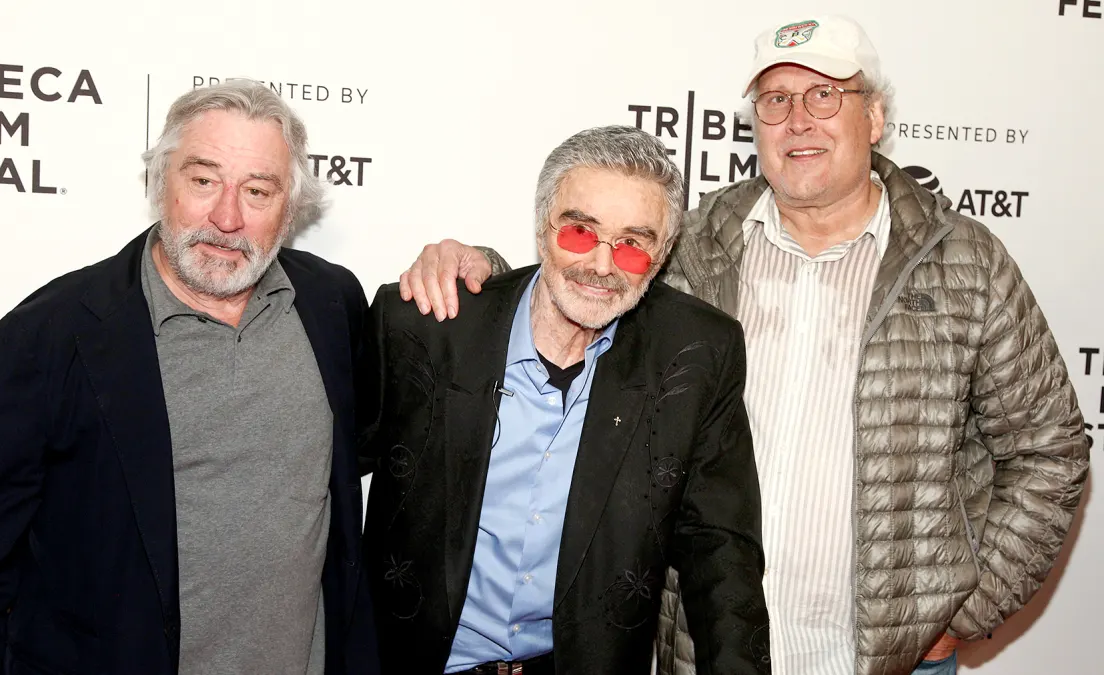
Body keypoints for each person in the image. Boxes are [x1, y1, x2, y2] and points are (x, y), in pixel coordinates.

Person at [392, 15, 1090, 675]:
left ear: (874, 117)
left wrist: (965, 607)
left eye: (825, 94)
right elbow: (582, 278)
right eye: (776, 99)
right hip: (706, 646)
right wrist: (470, 267)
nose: (798, 120)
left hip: (889, 660)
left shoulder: (966, 261)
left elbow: (1051, 446)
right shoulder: (697, 241)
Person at [0, 80, 377, 675]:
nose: (227, 217)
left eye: (258, 191)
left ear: (291, 209)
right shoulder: (52, 335)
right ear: (162, 185)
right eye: (204, 181)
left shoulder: (330, 302)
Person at [356, 126, 770, 675]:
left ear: (663, 253)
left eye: (632, 244)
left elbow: (721, 554)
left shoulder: (695, 353)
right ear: (541, 229)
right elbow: (323, 487)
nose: (602, 265)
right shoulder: (427, 324)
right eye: (580, 232)